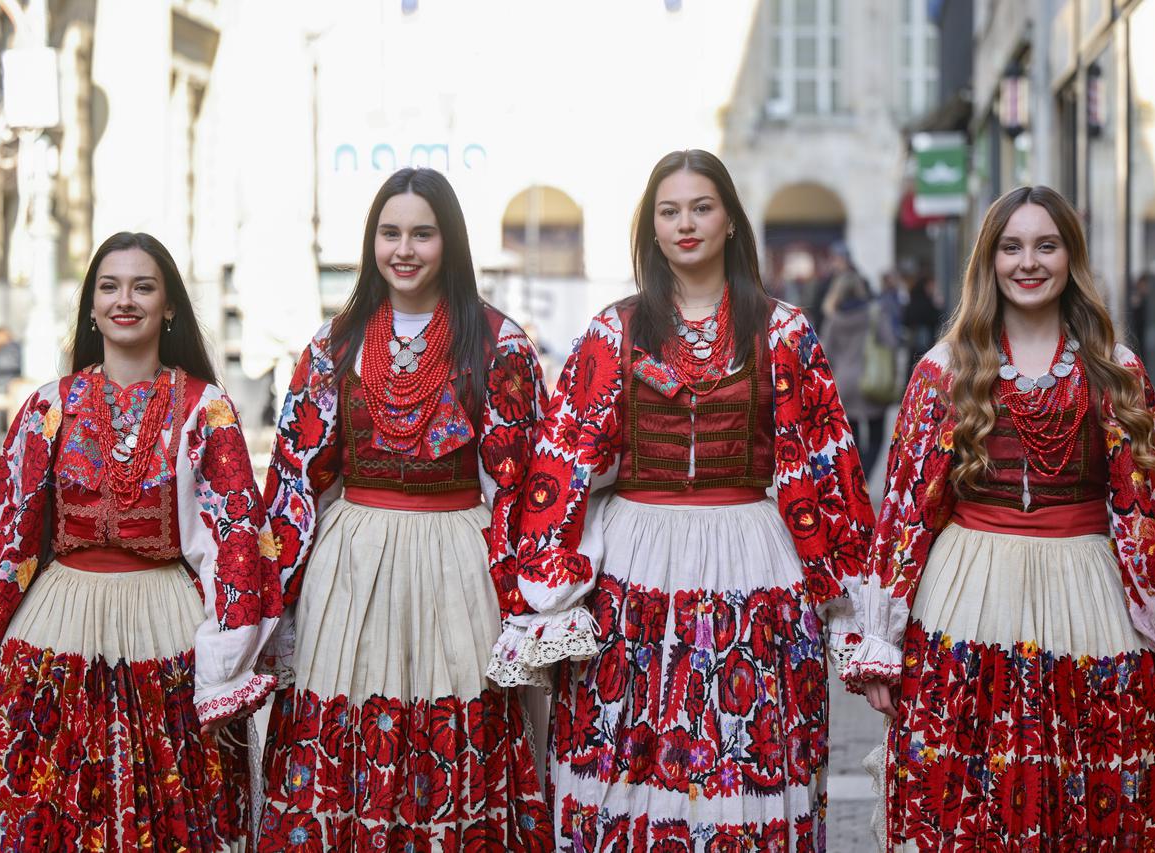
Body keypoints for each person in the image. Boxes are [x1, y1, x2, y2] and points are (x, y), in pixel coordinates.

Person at [489, 149, 875, 849]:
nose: (686, 223)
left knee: (748, 756)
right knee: (625, 759)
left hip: (753, 559)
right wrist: (544, 589)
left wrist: (858, 610)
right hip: (636, 564)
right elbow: (564, 457)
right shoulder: (616, 330)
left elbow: (825, 466)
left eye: (701, 207)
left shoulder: (784, 331)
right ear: (652, 228)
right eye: (670, 211)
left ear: (730, 221)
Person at [845, 186, 1155, 850]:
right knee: (974, 793)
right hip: (967, 596)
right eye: (1011, 246)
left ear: (1070, 257)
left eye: (1046, 245)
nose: (1029, 262)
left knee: (1098, 795)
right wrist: (881, 636)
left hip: (1090, 596)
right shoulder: (946, 370)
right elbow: (906, 509)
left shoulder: (1116, 370)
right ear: (988, 260)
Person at [0, 231, 282, 850]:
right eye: (109, 286)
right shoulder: (48, 407)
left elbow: (235, 539)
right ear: (91, 304)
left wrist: (225, 658)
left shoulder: (204, 409)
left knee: (171, 818)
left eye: (143, 286)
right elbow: (5, 533)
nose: (124, 300)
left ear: (170, 306)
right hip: (55, 630)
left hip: (167, 627)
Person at [259, 167, 552, 850]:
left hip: (457, 560)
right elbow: (296, 480)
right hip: (352, 564)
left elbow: (523, 486)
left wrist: (526, 606)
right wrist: (270, 601)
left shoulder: (497, 343)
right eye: (390, 232)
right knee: (344, 725)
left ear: (449, 240)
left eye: (423, 233)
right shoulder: (333, 344)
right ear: (371, 242)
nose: (405, 249)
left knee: (456, 727)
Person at [821, 267, 888, 475]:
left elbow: (826, 354)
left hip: (844, 384)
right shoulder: (874, 315)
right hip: (872, 380)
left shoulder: (833, 320)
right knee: (877, 436)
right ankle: (865, 473)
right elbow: (890, 341)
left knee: (852, 436)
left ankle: (857, 478)